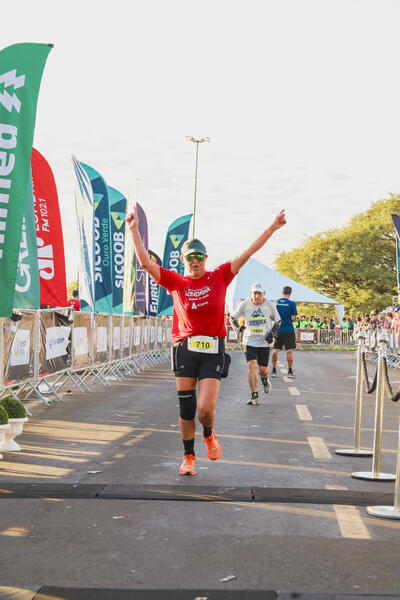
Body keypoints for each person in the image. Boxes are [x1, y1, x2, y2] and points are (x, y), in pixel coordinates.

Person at [126, 205, 286, 476]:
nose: (195, 261)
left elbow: (247, 252)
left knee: (204, 410)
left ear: (206, 258)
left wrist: (272, 227)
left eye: (199, 256)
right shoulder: (176, 282)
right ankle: (188, 456)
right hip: (185, 350)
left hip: (212, 350)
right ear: (183, 260)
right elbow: (145, 263)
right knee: (186, 409)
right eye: (190, 258)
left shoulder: (220, 276)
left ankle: (209, 434)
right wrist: (133, 230)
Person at [230, 283, 281, 405]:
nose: (257, 296)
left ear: (264, 294)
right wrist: (237, 328)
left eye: (259, 293)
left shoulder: (269, 305)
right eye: (255, 293)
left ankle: (264, 379)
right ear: (251, 293)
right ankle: (254, 395)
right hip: (249, 341)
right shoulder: (245, 304)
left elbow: (278, 320)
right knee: (251, 365)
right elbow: (232, 318)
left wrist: (272, 333)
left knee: (263, 369)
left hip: (264, 341)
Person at [271, 286, 298, 378]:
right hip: (288, 330)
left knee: (275, 350)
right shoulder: (291, 304)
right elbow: (294, 319)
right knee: (289, 351)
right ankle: (290, 372)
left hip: (277, 329)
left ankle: (274, 371)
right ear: (290, 294)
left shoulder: (275, 302)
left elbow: (271, 316)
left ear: (282, 292)